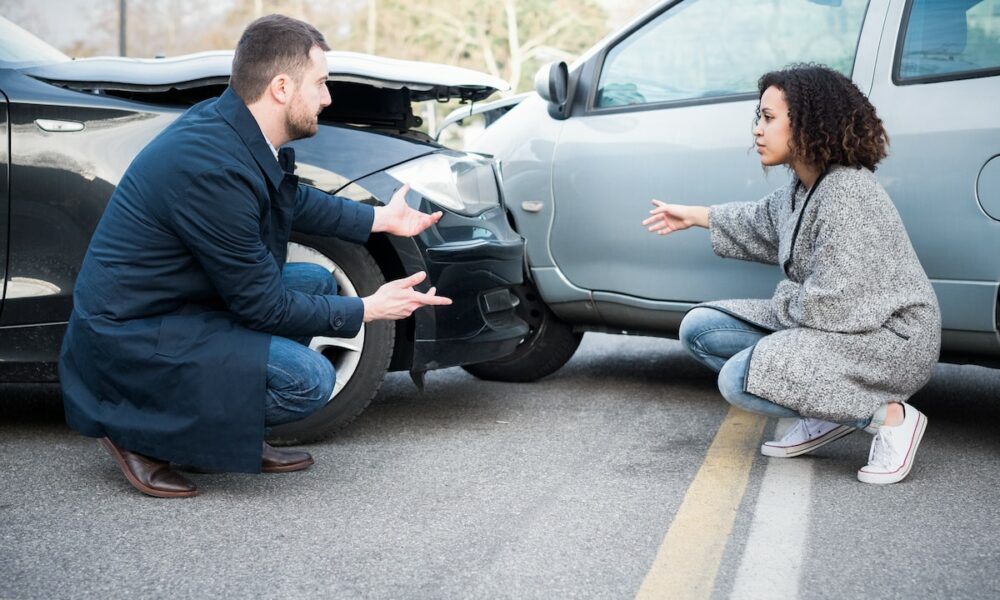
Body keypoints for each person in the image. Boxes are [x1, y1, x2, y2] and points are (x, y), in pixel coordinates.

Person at [59, 14, 452, 498]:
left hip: (180, 303)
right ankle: (139, 432)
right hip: (134, 336)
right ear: (282, 87)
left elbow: (291, 199)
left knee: (318, 283)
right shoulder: (211, 168)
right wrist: (371, 308)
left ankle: (224, 433)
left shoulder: (232, 126)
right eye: (322, 83)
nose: (327, 98)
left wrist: (380, 220)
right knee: (309, 380)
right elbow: (263, 308)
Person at [642, 64, 940, 485]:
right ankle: (828, 410)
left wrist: (782, 300)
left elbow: (834, 304)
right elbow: (760, 221)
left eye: (768, 118)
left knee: (739, 380)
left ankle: (890, 418)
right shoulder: (805, 186)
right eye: (758, 118)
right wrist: (694, 216)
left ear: (808, 124)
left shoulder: (847, 194)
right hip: (842, 328)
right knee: (701, 329)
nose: (757, 131)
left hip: (890, 341)